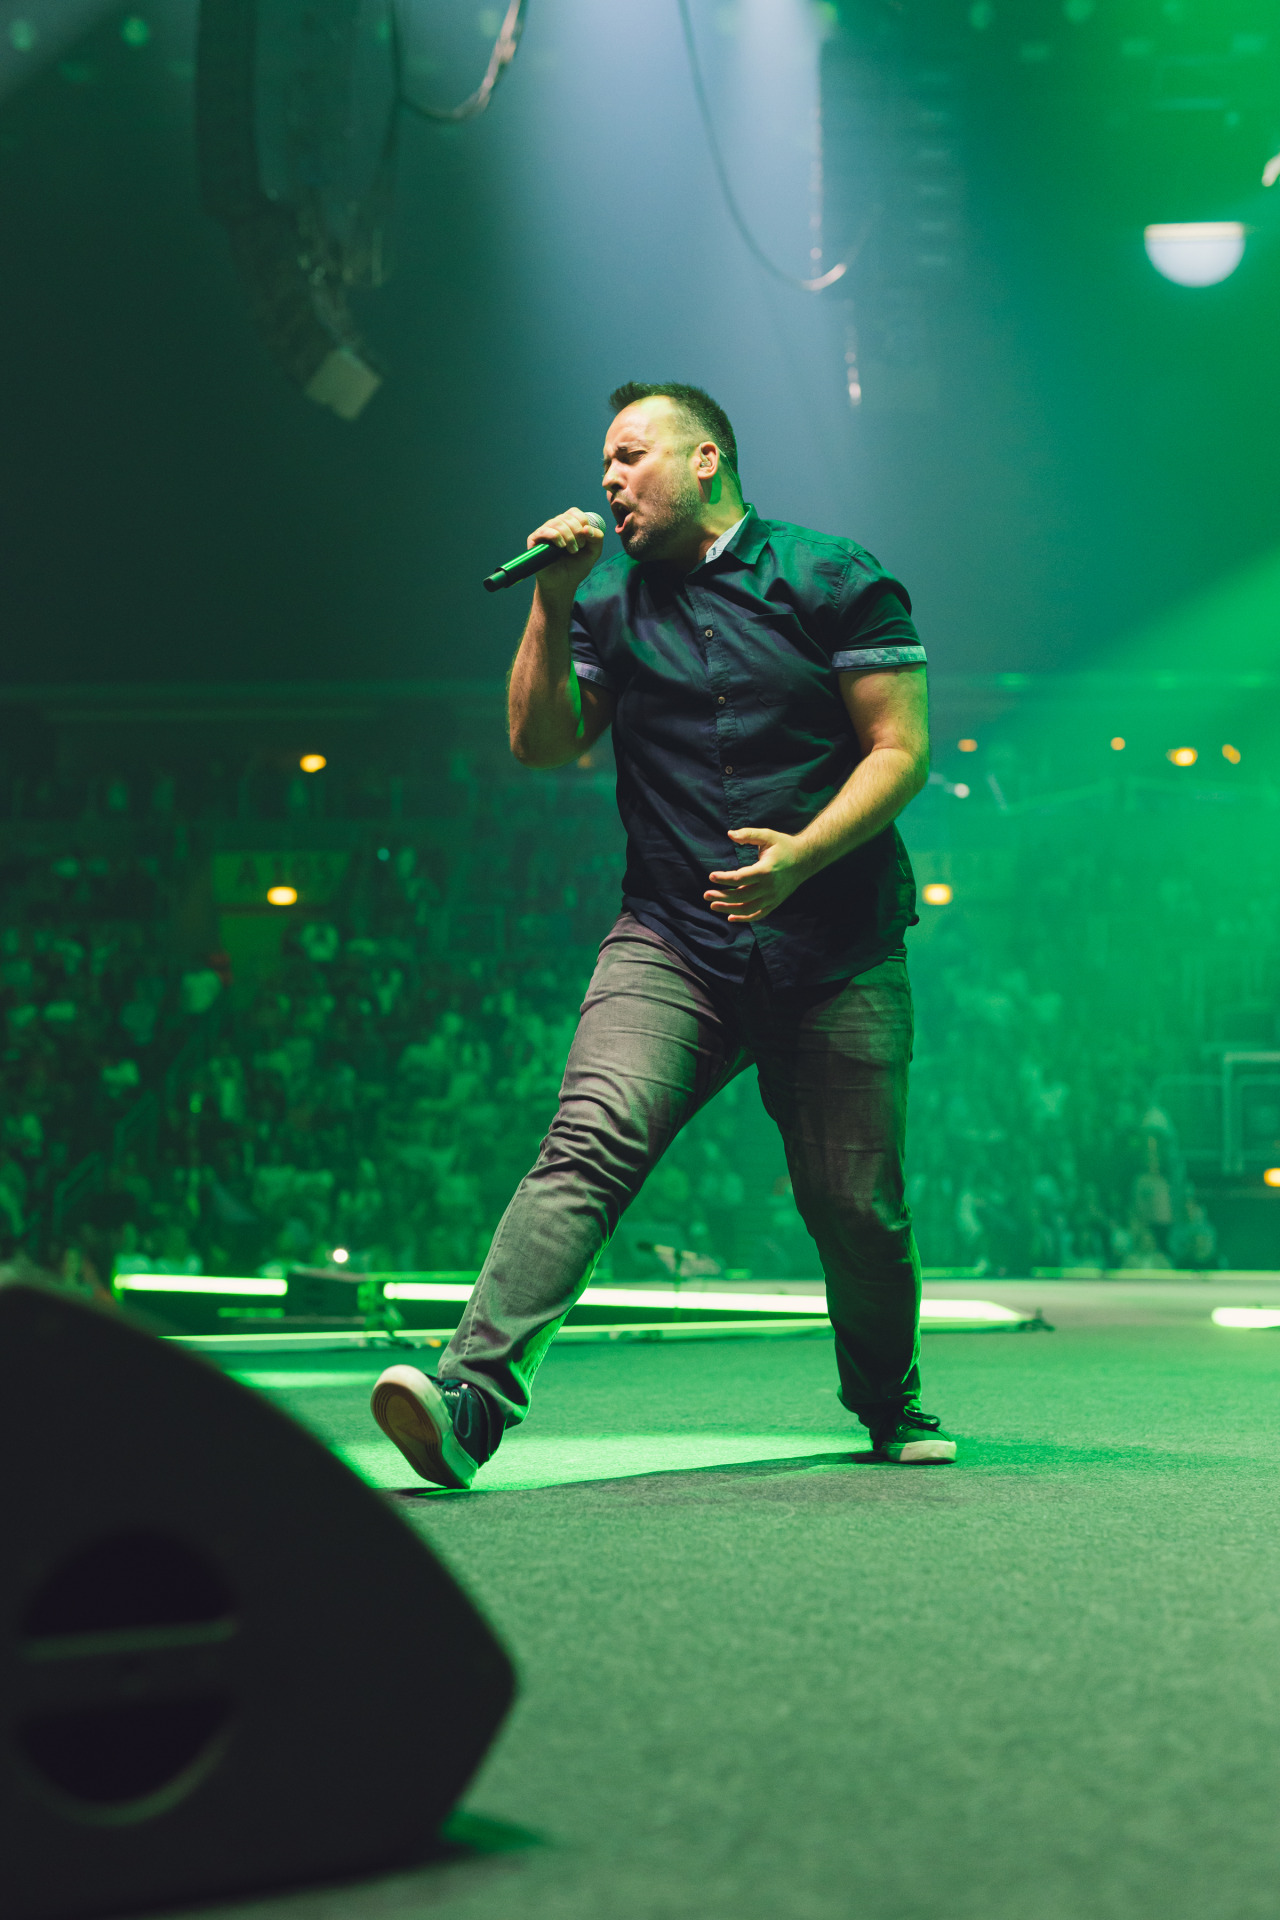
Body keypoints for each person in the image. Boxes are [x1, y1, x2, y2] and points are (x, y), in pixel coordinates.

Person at [371, 380, 954, 1485]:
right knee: (585, 1146)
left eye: (630, 455)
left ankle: (888, 1399)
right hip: (673, 942)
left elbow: (900, 750)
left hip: (836, 943)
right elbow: (541, 744)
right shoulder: (604, 604)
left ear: (704, 460)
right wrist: (551, 601)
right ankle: (468, 1402)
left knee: (855, 1208)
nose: (609, 479)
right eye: (603, 463)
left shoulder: (832, 577)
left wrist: (801, 856)